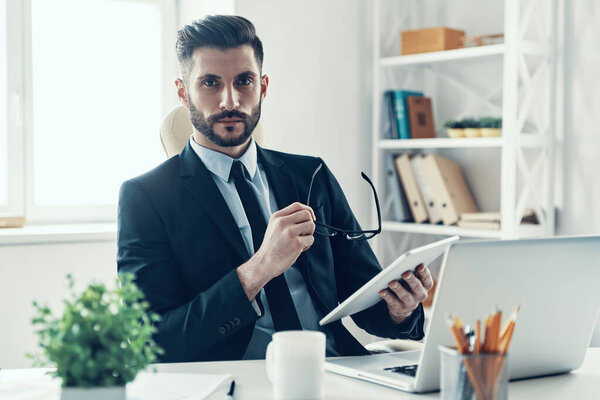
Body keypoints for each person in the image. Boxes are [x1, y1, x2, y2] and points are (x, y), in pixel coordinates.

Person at [117, 15, 434, 362]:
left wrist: (400, 310)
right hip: (235, 379)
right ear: (183, 92)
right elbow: (151, 341)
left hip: (332, 369)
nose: (230, 101)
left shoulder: (311, 175)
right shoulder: (145, 198)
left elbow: (366, 302)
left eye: (244, 81)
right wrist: (259, 268)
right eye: (210, 83)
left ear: (263, 86)